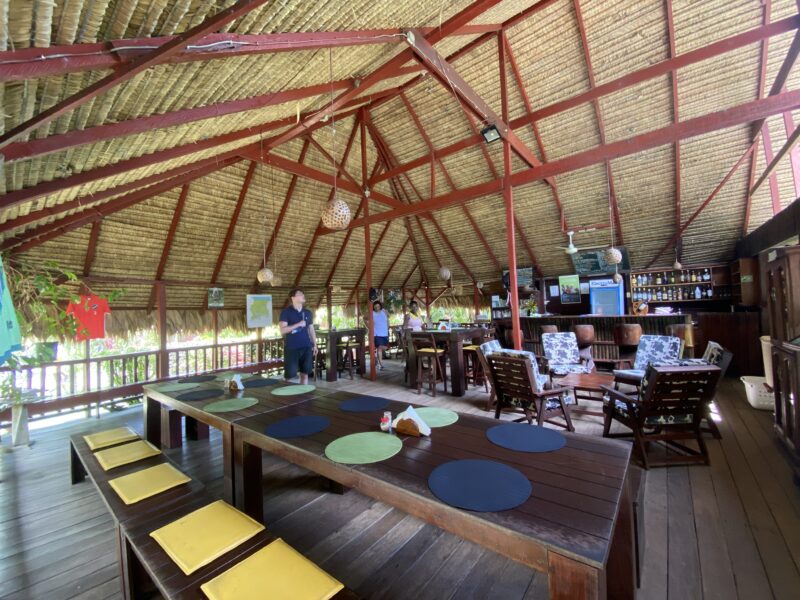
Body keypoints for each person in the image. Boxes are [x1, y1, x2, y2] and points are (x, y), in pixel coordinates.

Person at [278, 288, 317, 384]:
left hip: (306, 347)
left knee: (305, 374)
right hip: (292, 348)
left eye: (303, 294)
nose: (303, 295)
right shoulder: (286, 312)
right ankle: (287, 393)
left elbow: (311, 330)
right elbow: (283, 330)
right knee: (289, 377)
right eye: (300, 294)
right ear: (293, 298)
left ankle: (304, 393)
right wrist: (298, 324)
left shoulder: (308, 313)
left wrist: (315, 345)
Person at [371, 301, 389, 370]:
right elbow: (364, 318)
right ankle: (381, 365)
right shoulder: (372, 313)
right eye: (375, 307)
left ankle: (376, 358)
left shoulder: (384, 311)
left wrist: (388, 328)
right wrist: (369, 328)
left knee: (384, 348)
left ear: (380, 306)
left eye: (378, 306)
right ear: (373, 307)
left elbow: (387, 319)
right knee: (379, 348)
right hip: (377, 333)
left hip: (384, 333)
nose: (377, 308)